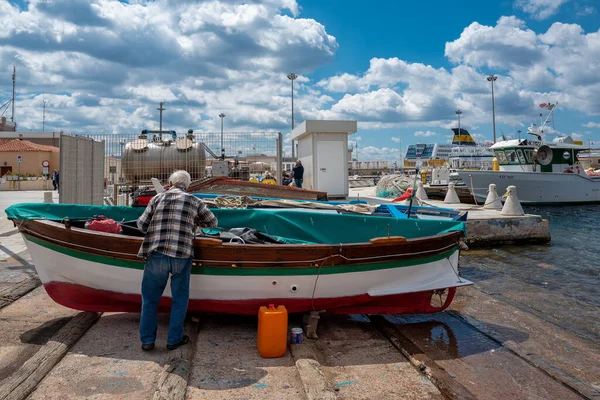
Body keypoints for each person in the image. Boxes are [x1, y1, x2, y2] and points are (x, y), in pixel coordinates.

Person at [137, 170, 218, 351]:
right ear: (187, 185)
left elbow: (141, 225)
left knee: (150, 299)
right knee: (179, 299)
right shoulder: (194, 201)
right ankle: (174, 339)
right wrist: (194, 221)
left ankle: (147, 340)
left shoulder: (157, 199)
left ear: (171, 183)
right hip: (182, 255)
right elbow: (213, 222)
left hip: (156, 254)